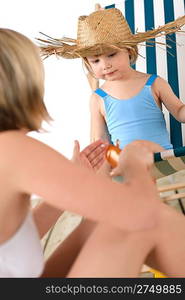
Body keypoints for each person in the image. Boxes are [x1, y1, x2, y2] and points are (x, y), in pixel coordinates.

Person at [0, 27, 162, 278]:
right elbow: (138, 213)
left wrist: (82, 179)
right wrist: (135, 168)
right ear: (25, 85)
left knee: (100, 224)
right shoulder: (14, 147)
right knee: (146, 225)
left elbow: (15, 237)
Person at [38, 8, 185, 151]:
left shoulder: (154, 83)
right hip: (124, 168)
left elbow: (179, 111)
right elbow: (99, 141)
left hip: (164, 163)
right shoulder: (98, 98)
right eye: (96, 61)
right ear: (88, 63)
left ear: (129, 50)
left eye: (111, 55)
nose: (105, 65)